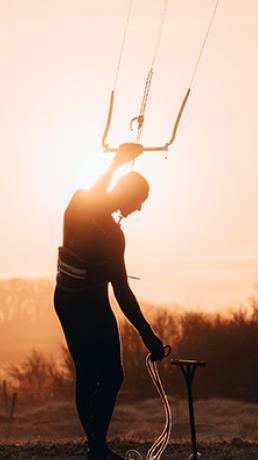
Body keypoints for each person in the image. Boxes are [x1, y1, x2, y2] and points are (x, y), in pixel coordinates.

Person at [54, 143, 166, 460]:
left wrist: (148, 335)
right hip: (78, 304)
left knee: (96, 375)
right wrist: (116, 162)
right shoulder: (82, 206)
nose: (140, 209)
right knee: (101, 375)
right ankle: (97, 447)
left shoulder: (111, 232)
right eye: (140, 201)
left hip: (77, 302)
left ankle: (96, 446)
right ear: (127, 195)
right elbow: (122, 293)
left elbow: (121, 290)